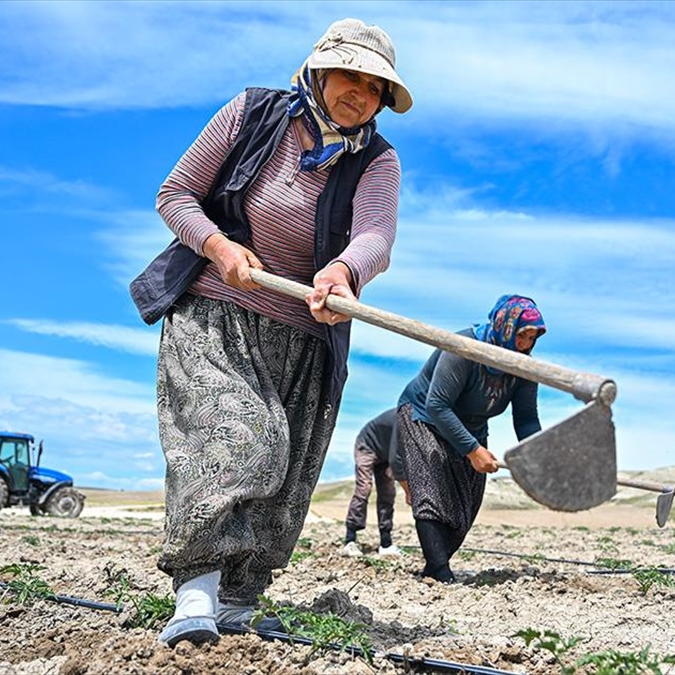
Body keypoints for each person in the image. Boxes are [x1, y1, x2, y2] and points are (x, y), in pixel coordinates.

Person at [128, 18, 412, 647]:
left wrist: (344, 269)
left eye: (375, 86)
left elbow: (375, 235)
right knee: (240, 439)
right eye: (350, 75)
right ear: (317, 70)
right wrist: (219, 246)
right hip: (217, 313)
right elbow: (175, 196)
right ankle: (195, 592)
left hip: (306, 335)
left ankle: (239, 599)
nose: (360, 93)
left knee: (286, 468)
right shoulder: (254, 115)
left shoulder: (377, 160)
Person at [397, 295, 545, 583]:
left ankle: (435, 564)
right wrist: (472, 450)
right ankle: (439, 571)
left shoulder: (524, 369)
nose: (526, 344)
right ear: (506, 327)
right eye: (522, 336)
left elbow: (526, 418)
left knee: (465, 504)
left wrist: (537, 454)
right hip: (423, 415)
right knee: (432, 482)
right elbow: (437, 404)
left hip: (472, 428)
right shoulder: (464, 348)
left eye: (532, 338)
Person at [341, 408, 403, 557]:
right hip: (366, 445)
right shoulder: (402, 419)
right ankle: (350, 540)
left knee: (388, 492)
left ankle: (386, 543)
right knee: (364, 488)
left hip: (385, 454)